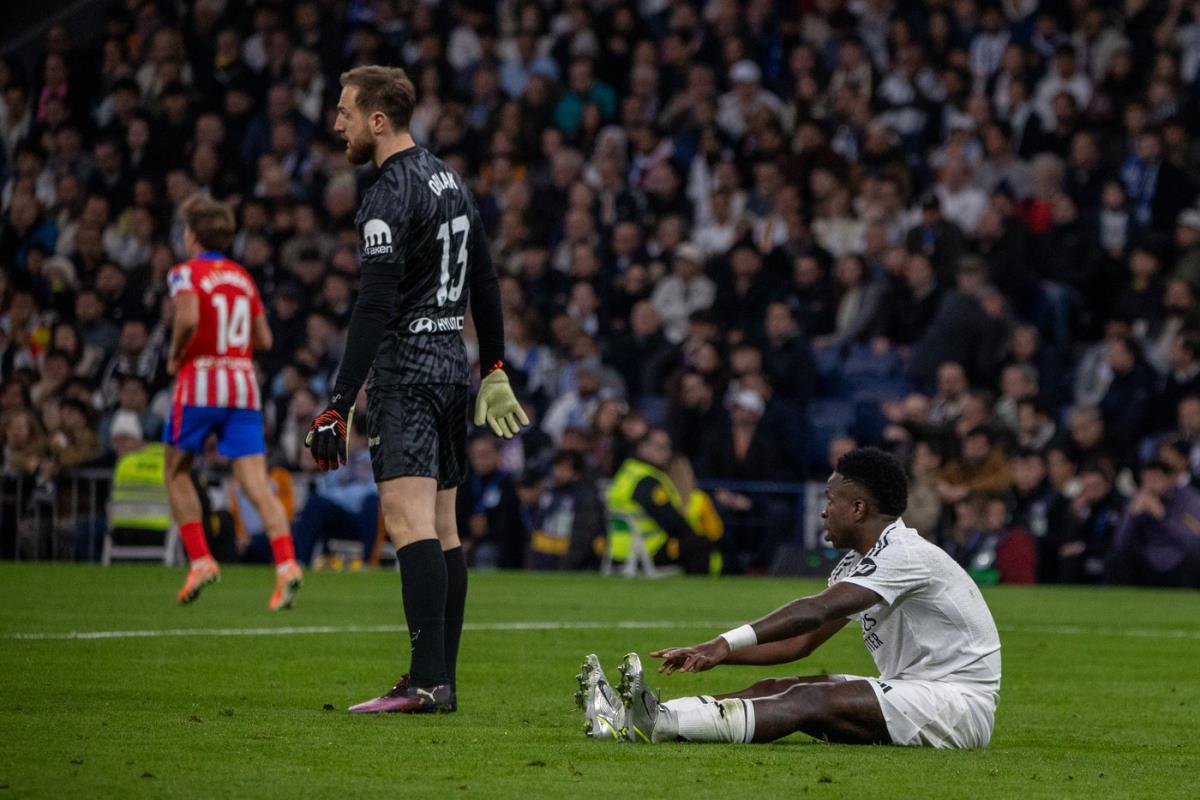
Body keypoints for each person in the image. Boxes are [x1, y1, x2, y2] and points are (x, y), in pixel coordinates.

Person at [304, 66, 527, 715]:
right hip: (451, 371)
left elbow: (373, 305)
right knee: (442, 528)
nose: (337, 122)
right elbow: (484, 280)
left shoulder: (387, 193)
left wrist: (338, 402)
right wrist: (492, 368)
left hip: (404, 371)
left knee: (407, 524)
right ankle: (439, 681)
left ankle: (427, 682)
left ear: (379, 119)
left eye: (345, 111)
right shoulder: (450, 179)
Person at [577, 447, 1001, 749]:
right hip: (917, 692)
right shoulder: (863, 562)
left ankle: (658, 725)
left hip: (958, 705)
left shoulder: (905, 554)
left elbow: (817, 610)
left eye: (830, 500)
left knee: (807, 700)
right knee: (778, 687)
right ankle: (649, 717)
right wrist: (718, 655)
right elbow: (802, 641)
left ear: (857, 509)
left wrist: (726, 641)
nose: (822, 510)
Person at [162, 194, 303, 610]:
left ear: (192, 234)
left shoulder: (185, 273)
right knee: (256, 484)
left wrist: (174, 353)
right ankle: (287, 566)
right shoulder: (243, 278)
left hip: (201, 379)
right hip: (242, 383)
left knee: (175, 471)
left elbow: (187, 318)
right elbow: (264, 340)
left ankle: (201, 559)